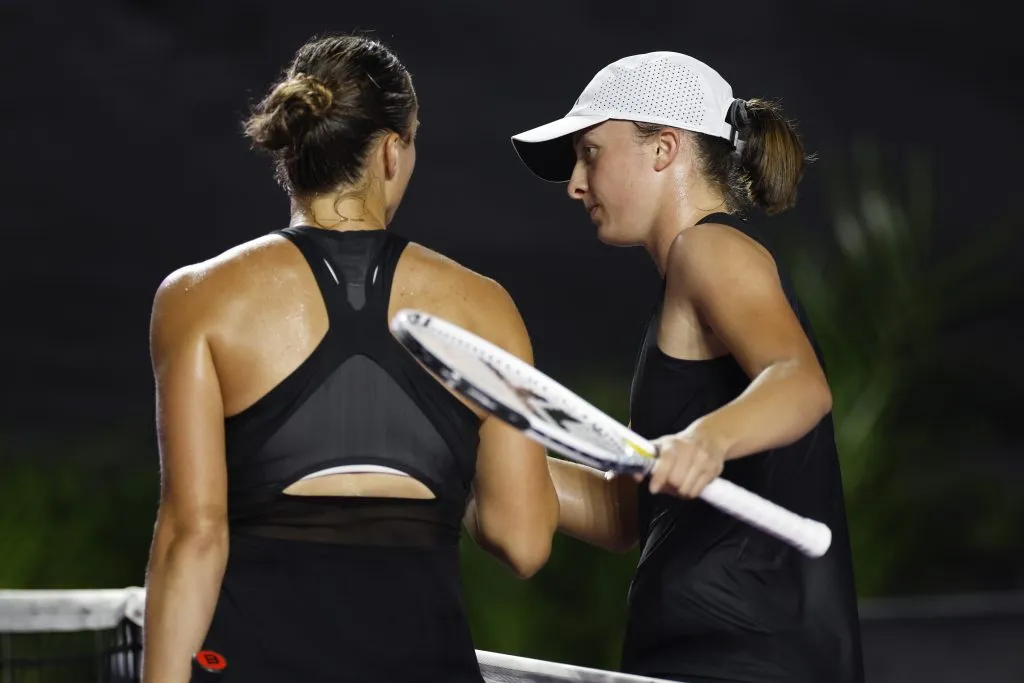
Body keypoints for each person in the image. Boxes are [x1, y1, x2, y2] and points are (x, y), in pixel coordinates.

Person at [142, 33, 559, 683]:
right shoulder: (485, 308)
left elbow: (192, 535)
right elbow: (525, 540)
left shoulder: (199, 298)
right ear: (392, 151)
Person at [509, 52, 864, 683]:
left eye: (590, 152)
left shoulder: (709, 247)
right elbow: (629, 516)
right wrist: (480, 464)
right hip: (695, 654)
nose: (575, 183)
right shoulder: (686, 278)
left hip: (745, 660)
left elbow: (801, 381)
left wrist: (706, 439)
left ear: (664, 148)